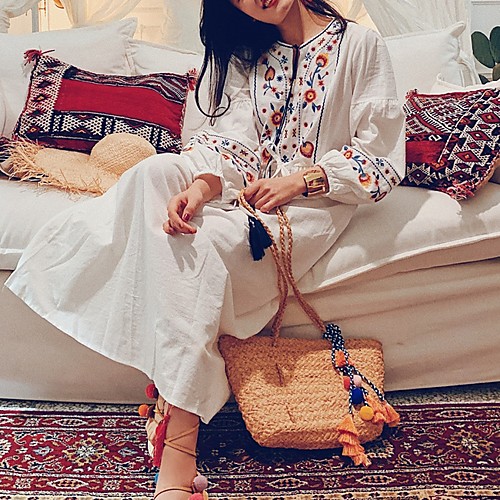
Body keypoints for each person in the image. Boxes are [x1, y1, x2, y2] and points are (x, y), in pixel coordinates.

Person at [6, 0, 405, 498]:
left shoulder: (360, 45)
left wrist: (298, 181)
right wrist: (200, 189)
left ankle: (179, 445)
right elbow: (230, 144)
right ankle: (165, 370)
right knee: (153, 174)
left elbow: (381, 158)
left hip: (306, 209)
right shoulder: (245, 50)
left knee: (190, 248)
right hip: (237, 192)